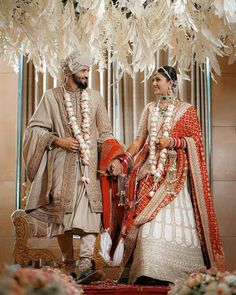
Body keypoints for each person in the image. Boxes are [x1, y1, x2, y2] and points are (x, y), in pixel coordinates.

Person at [113, 66, 226, 285]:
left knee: (176, 226)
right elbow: (138, 141)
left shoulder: (187, 110)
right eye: (153, 80)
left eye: (158, 80)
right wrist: (123, 160)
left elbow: (196, 142)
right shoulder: (149, 109)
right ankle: (147, 272)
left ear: (171, 82)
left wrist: (173, 142)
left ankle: (182, 276)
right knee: (145, 227)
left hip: (175, 178)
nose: (154, 84)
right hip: (151, 175)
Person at [23, 50, 123, 284]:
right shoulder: (51, 97)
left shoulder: (96, 98)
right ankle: (69, 267)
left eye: (89, 69)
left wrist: (115, 158)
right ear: (69, 71)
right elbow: (34, 130)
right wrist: (58, 140)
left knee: (91, 210)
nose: (87, 73)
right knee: (61, 216)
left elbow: (106, 133)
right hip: (60, 165)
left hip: (89, 168)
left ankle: (86, 263)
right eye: (83, 69)